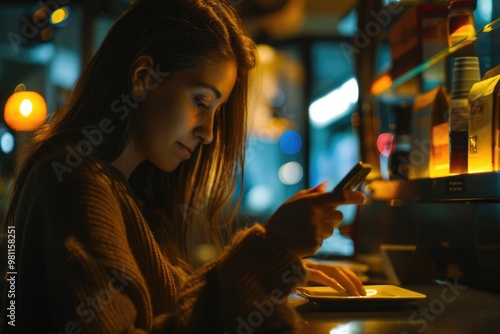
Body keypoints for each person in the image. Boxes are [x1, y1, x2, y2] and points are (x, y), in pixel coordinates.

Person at [1, 0, 366, 332]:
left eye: (216, 110)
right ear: (144, 78)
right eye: (201, 101)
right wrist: (270, 248)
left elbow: (175, 300)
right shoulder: (76, 180)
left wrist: (272, 268)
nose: (208, 132)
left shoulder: (119, 187)